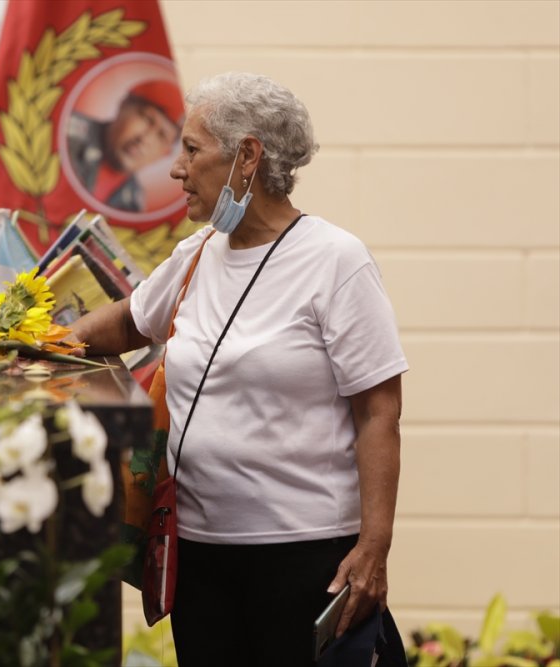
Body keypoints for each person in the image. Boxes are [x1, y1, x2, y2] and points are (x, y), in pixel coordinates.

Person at [67, 72, 408, 666]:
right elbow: (129, 322)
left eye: (192, 149)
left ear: (247, 157)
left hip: (302, 560)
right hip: (197, 556)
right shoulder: (198, 253)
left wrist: (374, 546)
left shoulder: (335, 261)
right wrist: (33, 341)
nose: (176, 169)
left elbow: (379, 411)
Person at [66, 80, 183, 212]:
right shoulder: (63, 136)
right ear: (123, 104)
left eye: (162, 136)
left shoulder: (134, 204)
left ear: (166, 153)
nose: (145, 139)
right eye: (147, 119)